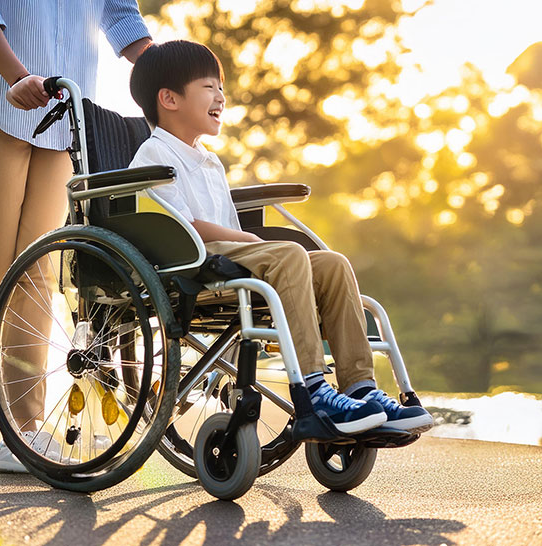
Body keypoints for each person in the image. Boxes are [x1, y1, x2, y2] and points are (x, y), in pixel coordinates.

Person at [128, 40, 434, 435]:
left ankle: (360, 388)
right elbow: (185, 226)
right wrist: (248, 240)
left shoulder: (209, 161)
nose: (221, 96)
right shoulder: (154, 157)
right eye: (209, 87)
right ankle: (313, 389)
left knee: (332, 264)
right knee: (289, 254)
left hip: (225, 255)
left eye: (221, 88)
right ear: (169, 99)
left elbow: (225, 224)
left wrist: (246, 241)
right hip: (189, 258)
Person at [0, 0, 152, 473]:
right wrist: (15, 75)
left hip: (63, 119)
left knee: (37, 274)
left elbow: (120, 13)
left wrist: (166, 72)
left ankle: (24, 428)